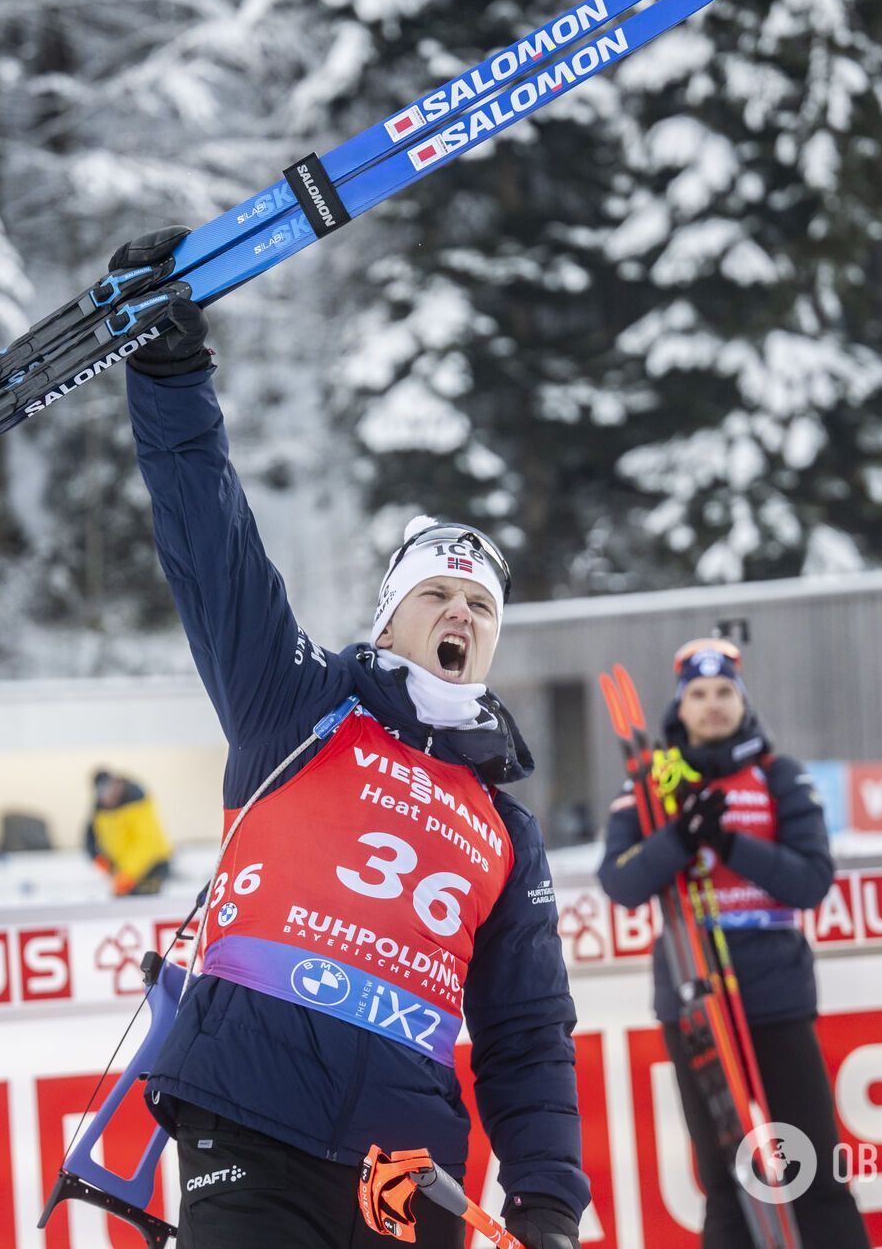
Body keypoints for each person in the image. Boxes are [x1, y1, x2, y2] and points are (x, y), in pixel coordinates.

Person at [117, 227, 585, 1249]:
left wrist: (547, 1201)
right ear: (386, 619)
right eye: (435, 593)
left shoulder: (502, 828)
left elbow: (526, 1033)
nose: (459, 613)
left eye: (479, 604)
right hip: (246, 1114)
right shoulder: (298, 704)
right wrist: (168, 370)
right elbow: (212, 542)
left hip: (405, 1171)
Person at [596, 638, 869, 1248]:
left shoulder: (779, 775)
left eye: (724, 693)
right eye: (698, 694)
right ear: (680, 707)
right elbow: (621, 881)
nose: (712, 705)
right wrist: (681, 836)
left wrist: (730, 843)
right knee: (727, 1177)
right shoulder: (652, 783)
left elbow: (810, 881)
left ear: (743, 703)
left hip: (774, 998)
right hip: (695, 1002)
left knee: (813, 1166)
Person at [84, 769, 173, 896]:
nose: (107, 796)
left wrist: (127, 874)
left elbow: (145, 843)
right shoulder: (100, 809)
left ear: (117, 784)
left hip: (152, 868)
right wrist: (96, 857)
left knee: (145, 905)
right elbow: (90, 836)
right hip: (122, 872)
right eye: (101, 792)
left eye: (108, 789)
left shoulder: (136, 802)